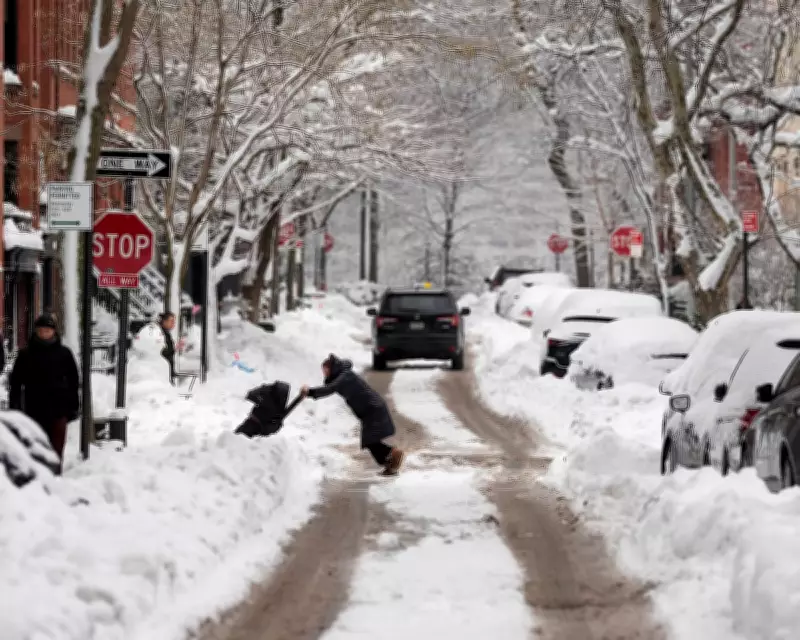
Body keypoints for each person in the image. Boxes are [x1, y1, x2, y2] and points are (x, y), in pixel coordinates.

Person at [301, 354, 405, 475]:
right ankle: (391, 462)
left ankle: (393, 455)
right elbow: (330, 386)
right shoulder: (342, 375)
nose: (325, 373)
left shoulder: (345, 376)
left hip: (372, 409)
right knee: (370, 441)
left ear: (332, 368)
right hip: (370, 410)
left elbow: (330, 388)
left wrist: (310, 392)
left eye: (326, 370)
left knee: (370, 441)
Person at [8, 313, 80, 474]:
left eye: (47, 330)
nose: (44, 333)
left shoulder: (64, 353)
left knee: (56, 448)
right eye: (41, 330)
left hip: (58, 409)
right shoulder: (26, 355)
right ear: (36, 331)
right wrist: (15, 406)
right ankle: (39, 478)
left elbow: (74, 381)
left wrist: (73, 406)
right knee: (36, 447)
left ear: (53, 331)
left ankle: (55, 478)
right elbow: (16, 383)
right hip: (33, 409)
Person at [158, 312, 178, 384]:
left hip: (166, 371)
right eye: (171, 321)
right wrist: (174, 348)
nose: (173, 324)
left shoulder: (166, 333)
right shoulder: (159, 333)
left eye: (174, 322)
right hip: (161, 372)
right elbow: (161, 352)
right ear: (164, 321)